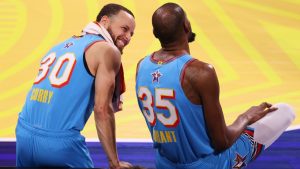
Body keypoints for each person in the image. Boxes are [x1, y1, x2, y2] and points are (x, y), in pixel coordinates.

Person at [135, 3, 295, 169]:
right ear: (186, 26)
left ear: (155, 33)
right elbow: (222, 142)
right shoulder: (201, 72)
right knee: (285, 110)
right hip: (209, 164)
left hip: (164, 163)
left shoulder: (142, 66)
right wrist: (245, 117)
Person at [16, 3, 135, 169]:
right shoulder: (107, 50)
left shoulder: (61, 45)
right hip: (59, 143)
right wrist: (114, 163)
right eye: (124, 28)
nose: (128, 37)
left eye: (132, 34)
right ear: (105, 21)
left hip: (23, 133)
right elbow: (102, 109)